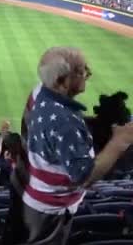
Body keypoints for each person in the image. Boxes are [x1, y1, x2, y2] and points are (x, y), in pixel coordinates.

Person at [22, 47, 133, 244]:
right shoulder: (65, 123)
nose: (88, 74)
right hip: (53, 212)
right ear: (61, 81)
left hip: (38, 200)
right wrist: (119, 141)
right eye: (81, 71)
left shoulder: (39, 92)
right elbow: (85, 177)